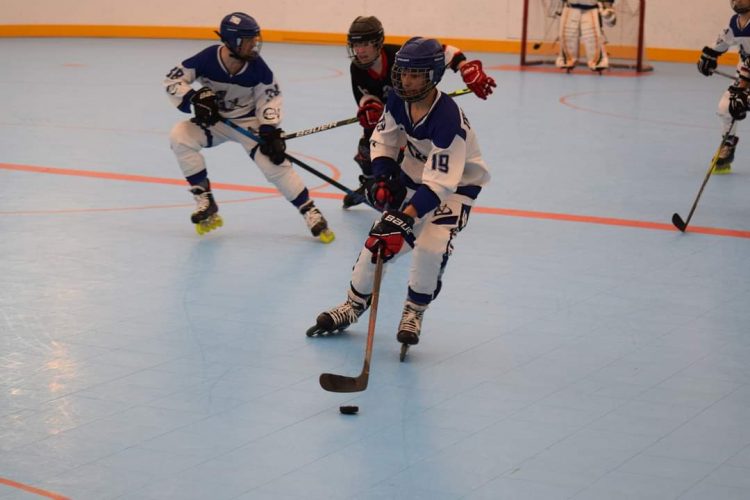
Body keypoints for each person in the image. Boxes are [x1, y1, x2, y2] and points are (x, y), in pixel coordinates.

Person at [307, 37, 491, 356]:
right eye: (402, 73)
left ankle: (414, 311)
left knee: (431, 247)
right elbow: (384, 140)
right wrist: (381, 175)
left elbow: (439, 185)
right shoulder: (397, 100)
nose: (405, 80)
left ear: (432, 76)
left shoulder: (449, 120)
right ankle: (352, 305)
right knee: (378, 242)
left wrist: (404, 218)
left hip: (455, 189)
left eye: (415, 74)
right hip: (415, 176)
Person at [164, 12, 334, 241]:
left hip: (248, 122)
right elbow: (172, 80)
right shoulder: (206, 59)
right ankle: (204, 197)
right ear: (232, 41)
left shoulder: (258, 68)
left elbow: (270, 97)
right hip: (216, 123)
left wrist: (269, 129)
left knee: (274, 163)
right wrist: (194, 98)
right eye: (248, 40)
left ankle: (309, 209)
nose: (254, 44)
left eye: (255, 38)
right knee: (179, 136)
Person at [341, 15, 496, 208]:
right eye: (355, 45)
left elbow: (446, 52)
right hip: (390, 117)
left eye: (365, 44)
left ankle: (412, 194)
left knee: (407, 157)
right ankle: (369, 185)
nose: (359, 51)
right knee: (367, 152)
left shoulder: (400, 56)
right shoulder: (356, 69)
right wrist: (368, 109)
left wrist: (465, 68)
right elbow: (365, 96)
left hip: (411, 117)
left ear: (378, 42)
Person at [697, 0, 750, 174]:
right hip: (745, 71)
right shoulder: (736, 21)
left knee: (740, 101)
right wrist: (710, 55)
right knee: (725, 106)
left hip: (746, 73)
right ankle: (728, 146)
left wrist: (743, 93)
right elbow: (725, 38)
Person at [555, 1, 617, 71]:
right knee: (567, 35)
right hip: (571, 7)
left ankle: (597, 62)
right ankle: (567, 60)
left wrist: (608, 9)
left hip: (591, 9)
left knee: (592, 38)